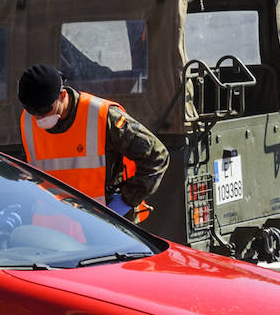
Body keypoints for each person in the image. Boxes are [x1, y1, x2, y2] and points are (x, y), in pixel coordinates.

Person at [16, 63, 169, 223]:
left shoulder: (102, 116)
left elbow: (157, 156)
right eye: (33, 112)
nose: (39, 118)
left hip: (105, 226)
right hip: (54, 228)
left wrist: (125, 202)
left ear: (62, 95)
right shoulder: (27, 121)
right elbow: (28, 168)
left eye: (45, 110)